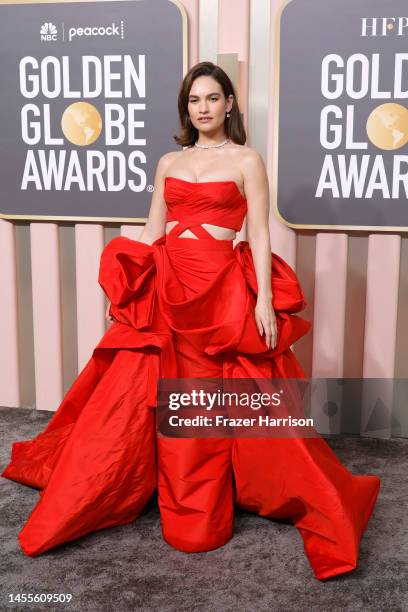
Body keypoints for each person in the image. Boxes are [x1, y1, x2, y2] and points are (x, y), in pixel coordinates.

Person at [2, 62, 380, 581]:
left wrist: (263, 300)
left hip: (221, 290)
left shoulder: (247, 160)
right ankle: (161, 492)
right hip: (170, 285)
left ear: (229, 104)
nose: (202, 108)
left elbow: (262, 235)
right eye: (193, 100)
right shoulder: (168, 162)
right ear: (187, 109)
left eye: (212, 98)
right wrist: (129, 287)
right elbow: (153, 228)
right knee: (151, 395)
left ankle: (216, 500)